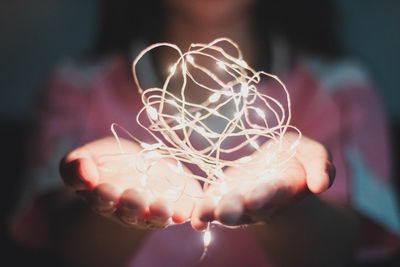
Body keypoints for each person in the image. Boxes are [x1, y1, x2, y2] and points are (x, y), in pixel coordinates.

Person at [10, 0, 400, 266]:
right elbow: (68, 248)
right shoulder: (78, 91)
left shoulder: (341, 93)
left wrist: (289, 209)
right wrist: (111, 214)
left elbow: (340, 249)